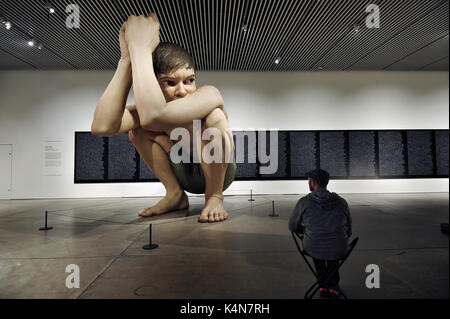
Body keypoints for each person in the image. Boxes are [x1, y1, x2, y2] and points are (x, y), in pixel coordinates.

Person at [91, 13, 235, 223]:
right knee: (138, 129)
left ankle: (214, 197)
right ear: (154, 84)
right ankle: (175, 195)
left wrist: (140, 48)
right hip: (183, 172)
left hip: (220, 174)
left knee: (215, 117)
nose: (182, 91)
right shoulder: (152, 111)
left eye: (189, 80)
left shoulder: (209, 94)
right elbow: (102, 126)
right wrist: (127, 60)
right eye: (170, 83)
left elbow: (154, 116)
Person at [289, 169, 352, 298]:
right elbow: (348, 229)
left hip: (313, 246)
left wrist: (305, 230)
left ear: (312, 182)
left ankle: (323, 285)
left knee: (317, 248)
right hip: (338, 248)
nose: (308, 183)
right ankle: (333, 285)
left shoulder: (304, 202)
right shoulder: (341, 202)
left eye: (309, 181)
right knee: (333, 249)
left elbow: (292, 226)